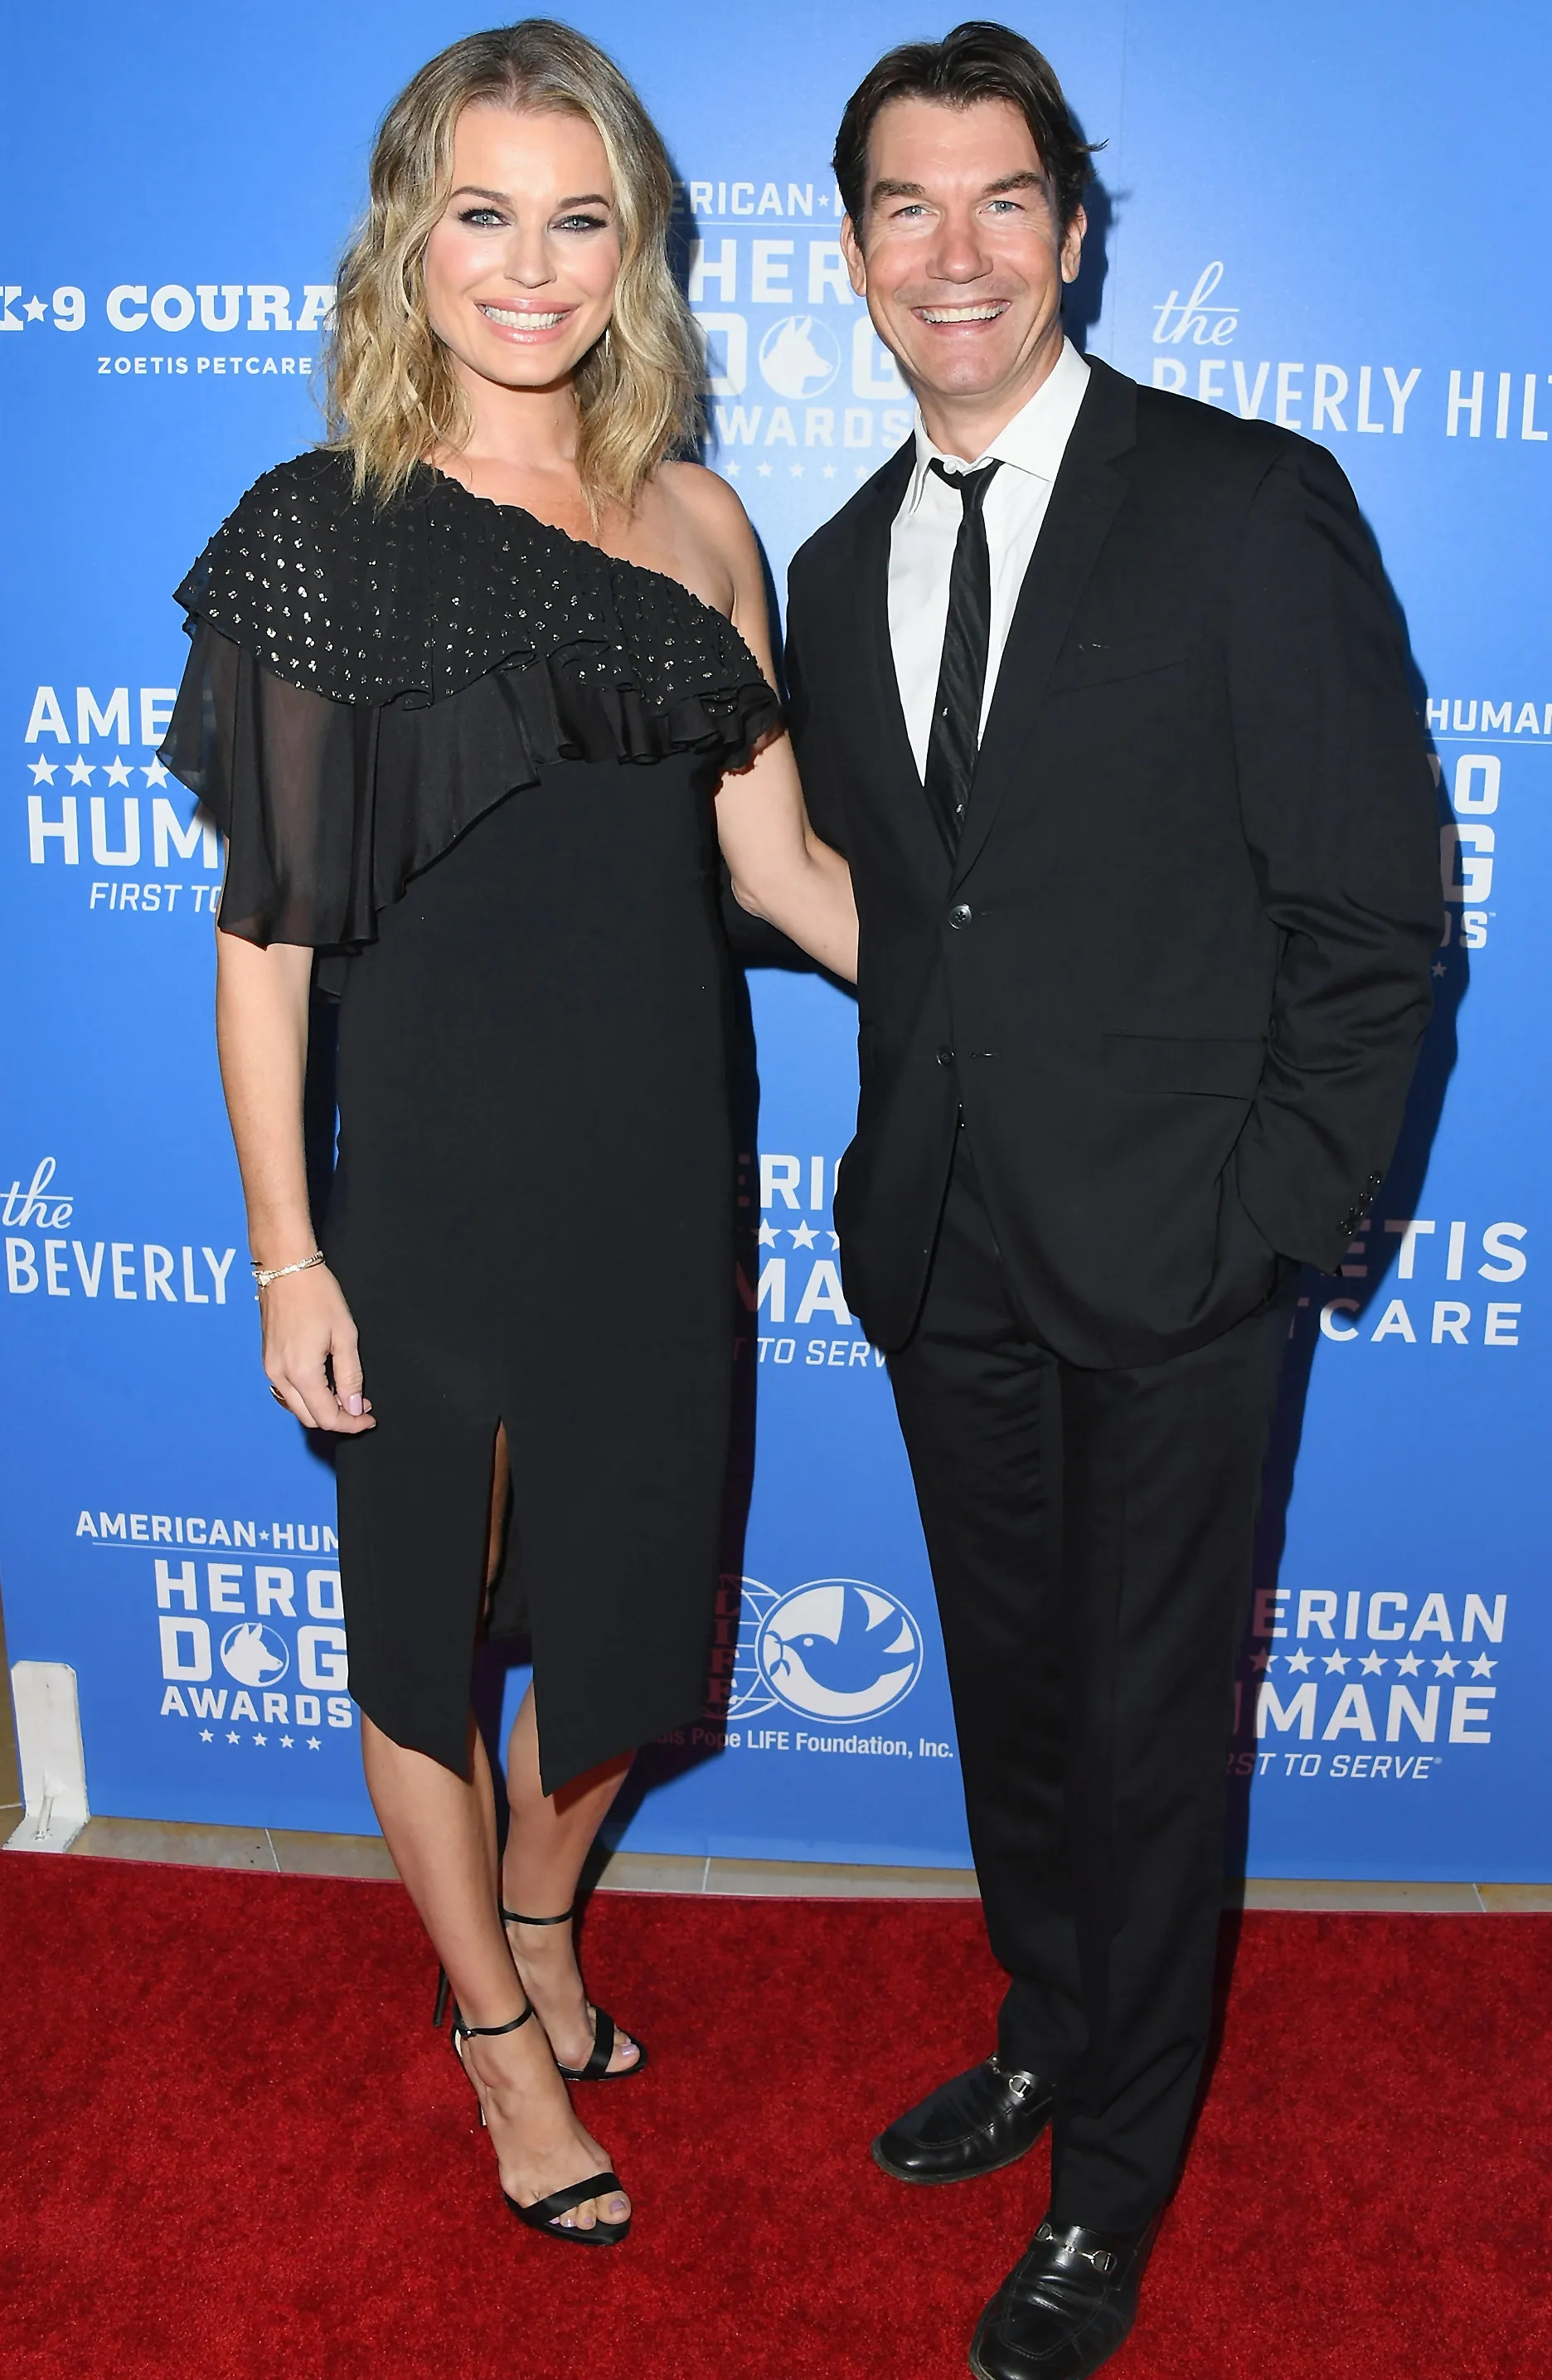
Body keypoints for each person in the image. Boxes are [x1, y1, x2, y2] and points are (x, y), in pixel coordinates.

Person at [162, 20, 855, 2248]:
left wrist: (1018, 978)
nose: (532, 266)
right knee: (422, 1631)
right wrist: (290, 1249)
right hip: (438, 1188)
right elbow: (265, 942)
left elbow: (789, 874)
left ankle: (548, 1914)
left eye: (579, 219)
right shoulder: (321, 536)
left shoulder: (700, 518)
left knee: (639, 1622)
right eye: (484, 214)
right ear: (409, 240)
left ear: (633, 247)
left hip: (663, 1170)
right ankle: (489, 2024)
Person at [785, 22, 1439, 2375]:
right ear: (853, 253)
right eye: (904, 209)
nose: (955, 252)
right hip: (948, 1246)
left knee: (1154, 1730)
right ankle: (1052, 2023)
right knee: (1024, 1709)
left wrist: (1277, 1220)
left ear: (1070, 224)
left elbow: (1378, 923)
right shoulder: (837, 558)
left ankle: (1115, 2187)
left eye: (1000, 201)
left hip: (1178, 1260)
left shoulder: (1244, 505)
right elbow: (912, 910)